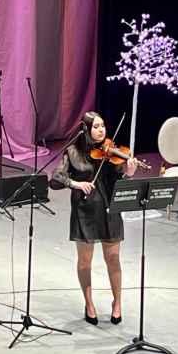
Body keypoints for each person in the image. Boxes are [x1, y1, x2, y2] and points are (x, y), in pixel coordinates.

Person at [49, 111, 138, 325]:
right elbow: (56, 178)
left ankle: (117, 303)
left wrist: (129, 174)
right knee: (85, 261)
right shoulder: (73, 152)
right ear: (86, 130)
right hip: (85, 211)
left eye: (103, 125)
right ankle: (89, 304)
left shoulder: (111, 153)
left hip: (109, 210)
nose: (101, 130)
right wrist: (75, 183)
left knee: (113, 259)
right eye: (96, 127)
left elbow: (117, 184)